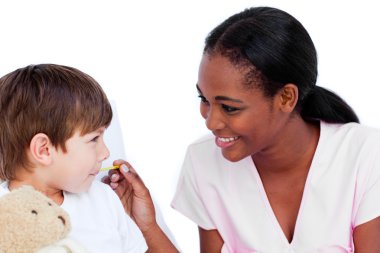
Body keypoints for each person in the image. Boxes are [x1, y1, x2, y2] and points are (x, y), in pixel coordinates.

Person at [106, 6, 380, 253]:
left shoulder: (365, 155)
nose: (210, 122)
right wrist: (147, 226)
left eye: (230, 108)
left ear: (286, 98)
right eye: (204, 99)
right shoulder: (204, 162)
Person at [0, 64, 179, 253]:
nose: (105, 153)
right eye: (94, 139)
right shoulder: (5, 214)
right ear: (44, 149)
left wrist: (147, 225)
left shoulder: (104, 200)